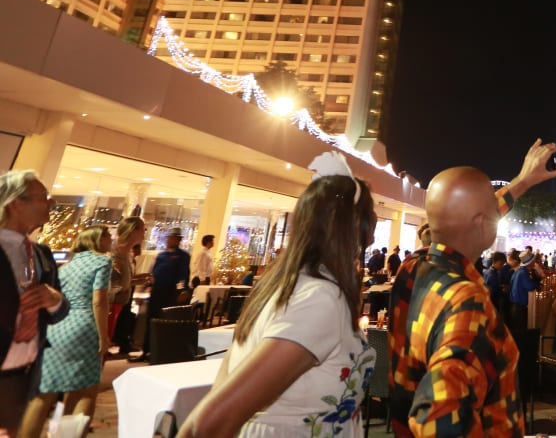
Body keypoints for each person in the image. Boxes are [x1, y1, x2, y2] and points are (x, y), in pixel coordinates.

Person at [177, 150, 378, 437]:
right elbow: (211, 420)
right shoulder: (320, 299)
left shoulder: (287, 284)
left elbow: (225, 383)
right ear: (357, 227)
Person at [388, 139, 556, 437]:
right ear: (482, 222)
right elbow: (440, 420)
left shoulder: (412, 268)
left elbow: (473, 216)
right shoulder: (466, 301)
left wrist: (523, 181)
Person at [21, 225, 114, 438]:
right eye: (107, 235)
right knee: (85, 391)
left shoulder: (68, 265)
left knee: (45, 393)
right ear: (97, 240)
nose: (111, 238)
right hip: (83, 326)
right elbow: (98, 301)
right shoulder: (102, 261)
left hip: (58, 325)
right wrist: (103, 336)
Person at [0, 171, 68, 434]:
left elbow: (59, 312)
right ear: (16, 204)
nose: (51, 203)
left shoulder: (41, 253)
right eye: (43, 197)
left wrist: (54, 300)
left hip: (25, 375)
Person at [133, 226, 189, 362]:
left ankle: (159, 351)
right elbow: (154, 272)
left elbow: (184, 275)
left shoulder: (183, 256)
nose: (170, 240)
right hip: (157, 291)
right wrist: (148, 284)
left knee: (164, 321)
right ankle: (145, 351)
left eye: (173, 238)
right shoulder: (161, 255)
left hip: (170, 292)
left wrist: (183, 291)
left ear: (178, 240)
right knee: (150, 320)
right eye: (169, 238)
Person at [108, 216, 146, 355]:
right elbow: (112, 282)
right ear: (133, 230)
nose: (144, 233)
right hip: (110, 303)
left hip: (119, 302)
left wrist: (137, 280)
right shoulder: (116, 252)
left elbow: (122, 280)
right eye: (142, 230)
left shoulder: (128, 253)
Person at [508, 249, 540, 333]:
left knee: (517, 330)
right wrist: (537, 283)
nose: (535, 262)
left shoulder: (518, 271)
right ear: (530, 263)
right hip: (519, 308)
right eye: (533, 261)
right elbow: (530, 286)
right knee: (520, 331)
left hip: (514, 306)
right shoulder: (523, 273)